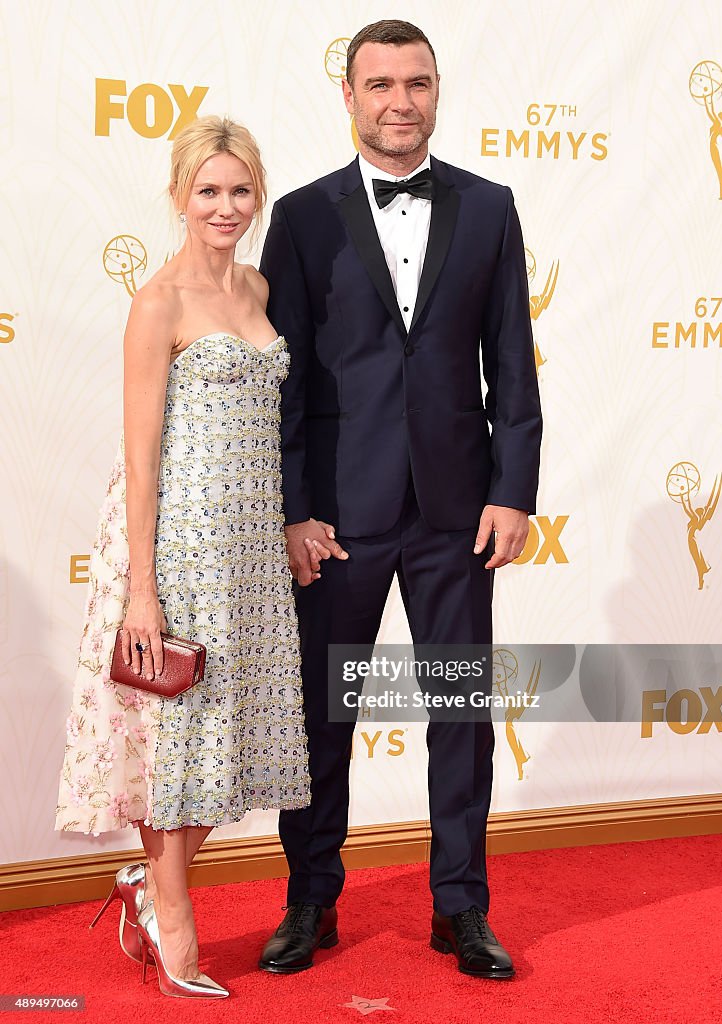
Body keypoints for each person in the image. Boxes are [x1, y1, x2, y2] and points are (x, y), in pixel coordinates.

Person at [258, 20, 542, 980]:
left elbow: (512, 361)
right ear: (348, 96)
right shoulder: (300, 218)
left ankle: (460, 907)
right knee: (321, 717)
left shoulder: (491, 207)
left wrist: (514, 490)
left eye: (417, 82)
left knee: (459, 715)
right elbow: (283, 378)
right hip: (337, 513)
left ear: (436, 90)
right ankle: (311, 901)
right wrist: (293, 509)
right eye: (379, 83)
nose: (400, 101)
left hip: (458, 513)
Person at [55, 116, 314, 999]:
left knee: (238, 746)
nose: (226, 206)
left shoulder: (258, 284)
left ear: (257, 195)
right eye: (208, 191)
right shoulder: (157, 301)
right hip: (181, 552)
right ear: (178, 197)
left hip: (251, 551)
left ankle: (143, 885)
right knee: (183, 746)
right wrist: (141, 591)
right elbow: (139, 457)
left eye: (241, 191)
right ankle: (174, 926)